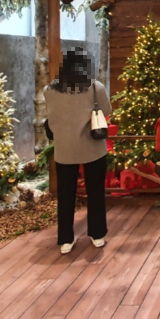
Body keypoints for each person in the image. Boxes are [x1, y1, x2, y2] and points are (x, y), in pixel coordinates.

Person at [44, 47, 112, 254]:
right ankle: (97, 235)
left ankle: (66, 240)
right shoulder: (95, 87)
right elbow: (107, 110)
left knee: (65, 195)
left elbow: (52, 115)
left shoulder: (50, 90)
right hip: (92, 147)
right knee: (95, 192)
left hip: (64, 149)